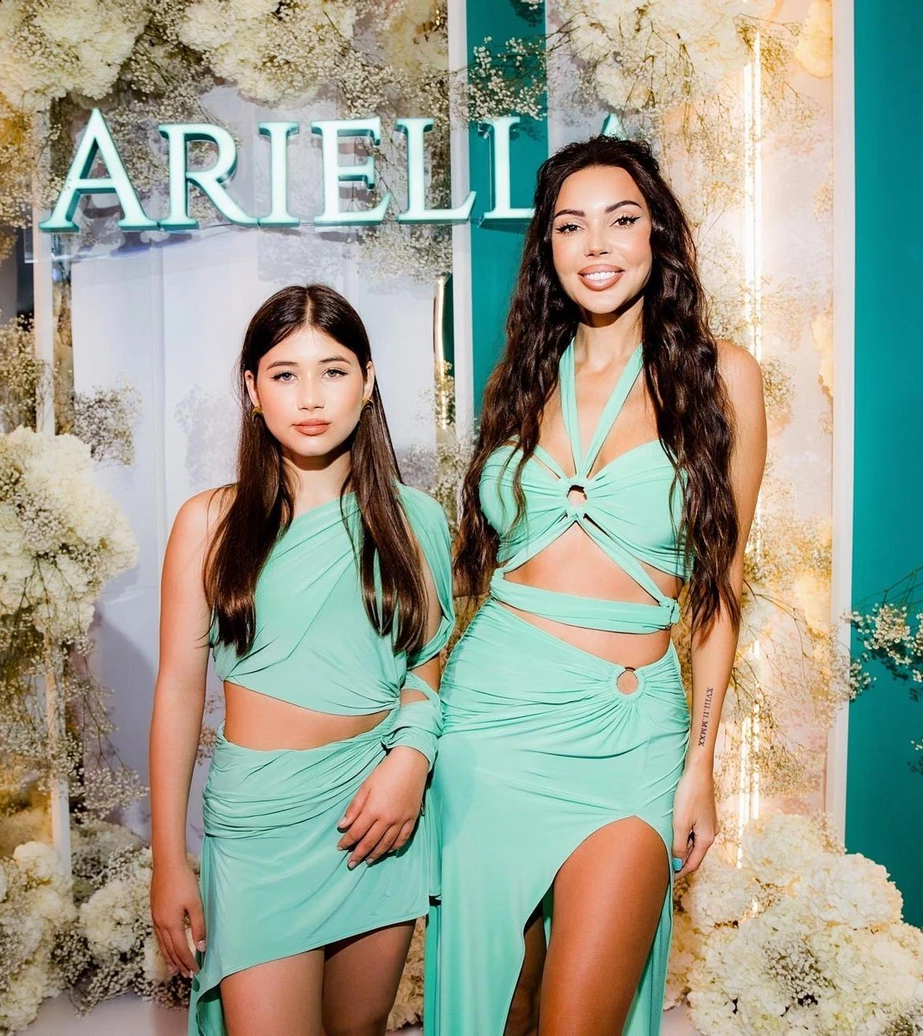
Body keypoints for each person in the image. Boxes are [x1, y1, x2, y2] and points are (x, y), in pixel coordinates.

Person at [426, 136, 767, 1035]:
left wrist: (701, 765)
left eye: (621, 219)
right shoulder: (520, 377)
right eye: (570, 226)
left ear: (657, 234)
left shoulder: (723, 378)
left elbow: (719, 590)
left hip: (631, 732)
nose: (597, 245)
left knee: (580, 1019)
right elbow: (476, 565)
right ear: (548, 248)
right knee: (503, 1006)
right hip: (492, 721)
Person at [148, 283, 454, 1036]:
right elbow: (178, 692)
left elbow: (428, 664)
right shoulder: (208, 523)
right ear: (253, 390)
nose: (310, 397)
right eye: (285, 374)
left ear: (368, 381)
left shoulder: (418, 520)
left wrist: (410, 762)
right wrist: (167, 858)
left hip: (375, 813)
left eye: (333, 371)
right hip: (260, 823)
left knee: (359, 1029)